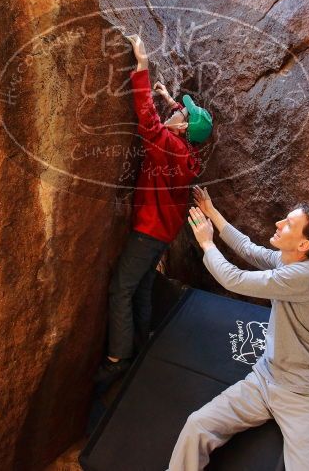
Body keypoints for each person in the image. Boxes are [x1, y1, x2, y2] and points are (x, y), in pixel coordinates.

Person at [169, 187, 309, 471]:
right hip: (264, 379)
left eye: (289, 225)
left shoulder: (307, 277)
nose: (278, 224)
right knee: (197, 425)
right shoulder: (290, 260)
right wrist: (212, 212)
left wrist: (207, 243)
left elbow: (233, 279)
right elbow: (248, 249)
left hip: (302, 394)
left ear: (303, 245)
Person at [95, 34, 213, 383]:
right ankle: (142, 342)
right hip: (163, 232)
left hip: (148, 231)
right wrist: (170, 99)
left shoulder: (168, 147)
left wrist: (142, 66)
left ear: (184, 128)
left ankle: (118, 359)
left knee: (121, 289)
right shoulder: (187, 149)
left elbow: (146, 118)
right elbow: (178, 118)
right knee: (143, 287)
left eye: (182, 114)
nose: (177, 113)